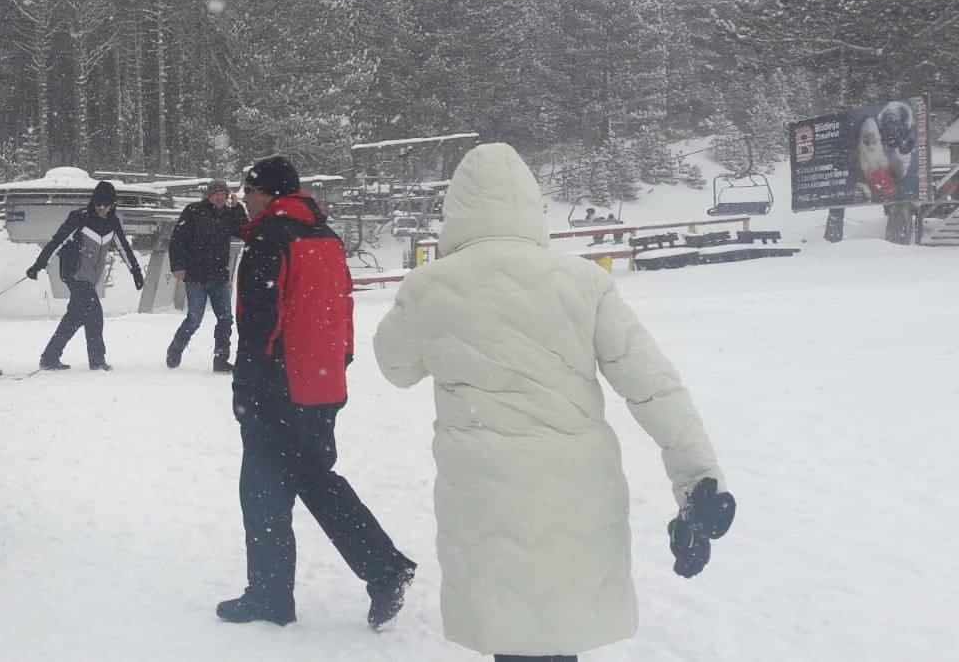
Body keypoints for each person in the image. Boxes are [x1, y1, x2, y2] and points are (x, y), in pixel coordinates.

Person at [373, 143, 735, 661]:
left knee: (515, 640)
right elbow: (654, 386)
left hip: (487, 502)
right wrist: (699, 477)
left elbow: (394, 366)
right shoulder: (583, 283)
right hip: (577, 496)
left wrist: (423, 300)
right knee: (559, 637)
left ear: (456, 210)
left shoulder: (430, 288)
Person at [219, 154, 416, 629]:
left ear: (271, 193)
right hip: (321, 385)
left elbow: (259, 322)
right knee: (312, 478)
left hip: (277, 386)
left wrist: (246, 386)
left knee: (263, 492)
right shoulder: (325, 237)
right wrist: (336, 365)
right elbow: (342, 309)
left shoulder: (270, 237)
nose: (245, 198)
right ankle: (384, 567)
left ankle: (269, 596)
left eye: (250, 189)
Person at [28, 181, 143, 371]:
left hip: (90, 277)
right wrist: (39, 265)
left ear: (112, 204)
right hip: (74, 273)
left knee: (75, 316)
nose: (101, 208)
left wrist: (136, 272)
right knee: (95, 314)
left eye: (105, 204)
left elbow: (124, 248)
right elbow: (57, 241)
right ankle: (97, 360)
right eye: (97, 203)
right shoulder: (80, 218)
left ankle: (50, 357)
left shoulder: (112, 223)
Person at [165, 179, 247, 372]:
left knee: (225, 318)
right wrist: (178, 265)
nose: (219, 197)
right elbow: (177, 239)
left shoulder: (229, 214)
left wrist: (238, 210)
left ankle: (221, 358)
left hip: (219, 275)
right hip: (196, 274)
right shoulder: (194, 211)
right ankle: (175, 348)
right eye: (215, 193)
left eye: (223, 194)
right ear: (208, 195)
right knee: (194, 318)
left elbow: (245, 232)